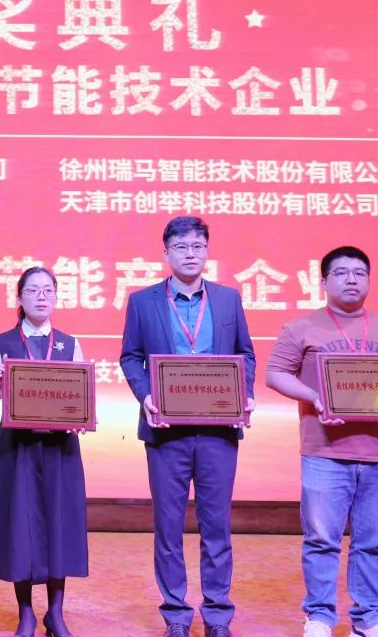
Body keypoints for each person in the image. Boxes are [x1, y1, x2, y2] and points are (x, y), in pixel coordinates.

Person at [265, 246, 378, 637]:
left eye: (359, 273)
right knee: (321, 540)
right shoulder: (300, 328)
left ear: (369, 280)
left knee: (374, 541)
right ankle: (319, 617)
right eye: (341, 273)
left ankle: (368, 618)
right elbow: (275, 373)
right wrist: (316, 397)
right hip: (324, 452)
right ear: (323, 282)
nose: (351, 279)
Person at [119, 216, 256, 637]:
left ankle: (217, 615)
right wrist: (146, 395)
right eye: (181, 247)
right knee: (168, 527)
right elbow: (130, 356)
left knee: (217, 526)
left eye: (197, 246)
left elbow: (245, 354)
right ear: (166, 253)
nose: (190, 254)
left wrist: (245, 392)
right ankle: (176, 615)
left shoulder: (228, 299)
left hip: (218, 432)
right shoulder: (143, 302)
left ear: (207, 251)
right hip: (166, 432)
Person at [0, 266, 88, 637]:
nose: (41, 297)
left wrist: (80, 413)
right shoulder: (3, 342)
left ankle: (55, 613)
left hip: (60, 448)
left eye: (48, 290)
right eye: (33, 290)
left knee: (59, 524)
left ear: (56, 297)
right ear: (19, 298)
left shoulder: (70, 344)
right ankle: (25, 612)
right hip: (17, 447)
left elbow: (83, 394)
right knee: (19, 527)